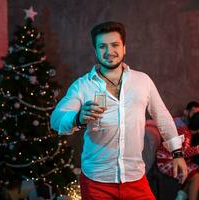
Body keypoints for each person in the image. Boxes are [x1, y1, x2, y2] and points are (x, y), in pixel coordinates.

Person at [50, 21, 187, 200]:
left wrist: (177, 153)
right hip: (96, 181)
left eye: (115, 45)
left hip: (135, 177)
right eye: (102, 46)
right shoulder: (82, 86)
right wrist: (78, 118)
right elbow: (56, 120)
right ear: (96, 51)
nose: (109, 52)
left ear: (124, 48)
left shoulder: (142, 81)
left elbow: (162, 116)